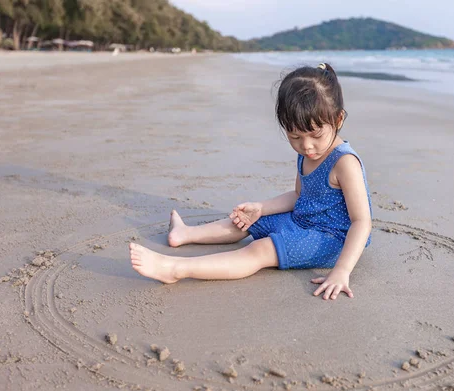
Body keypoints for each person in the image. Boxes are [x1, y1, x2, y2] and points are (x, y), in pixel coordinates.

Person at [129, 62, 372, 300]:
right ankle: (185, 233)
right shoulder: (308, 153)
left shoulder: (344, 162)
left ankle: (175, 270)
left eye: (315, 135)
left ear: (338, 120)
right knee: (245, 220)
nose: (306, 146)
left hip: (332, 239)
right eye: (295, 136)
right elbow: (299, 195)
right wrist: (261, 208)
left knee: (260, 250)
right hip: (302, 220)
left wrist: (341, 270)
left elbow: (361, 222)